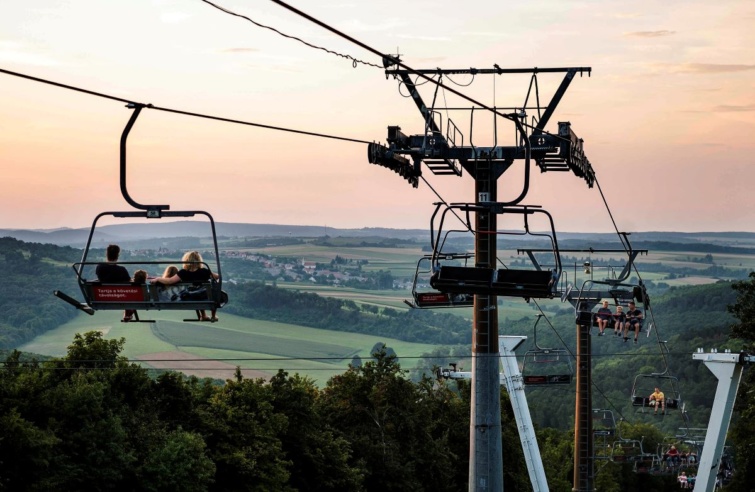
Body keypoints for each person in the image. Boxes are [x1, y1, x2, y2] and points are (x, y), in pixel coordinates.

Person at [151, 251, 219, 321]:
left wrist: (158, 279)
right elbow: (216, 277)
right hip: (202, 297)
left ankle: (203, 315)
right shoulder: (204, 271)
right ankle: (213, 316)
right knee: (210, 292)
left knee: (194, 292)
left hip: (187, 297)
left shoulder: (183, 272)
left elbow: (170, 281)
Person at [95, 244, 134, 322]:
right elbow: (129, 282)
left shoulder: (100, 267)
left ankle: (128, 313)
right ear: (118, 255)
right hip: (120, 296)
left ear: (107, 254)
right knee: (131, 292)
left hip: (103, 296)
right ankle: (128, 313)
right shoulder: (121, 270)